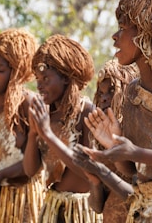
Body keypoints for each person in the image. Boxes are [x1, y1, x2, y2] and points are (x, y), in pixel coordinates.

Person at [73, 0, 152, 222]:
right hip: (143, 212)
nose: (114, 37)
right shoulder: (133, 89)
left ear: (146, 32)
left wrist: (135, 151)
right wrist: (116, 147)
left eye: (123, 28)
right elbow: (133, 172)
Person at [23, 34, 103, 222]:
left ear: (66, 78)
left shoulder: (86, 112)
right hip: (53, 207)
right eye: (37, 78)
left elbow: (88, 171)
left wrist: (48, 134)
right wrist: (34, 132)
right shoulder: (44, 114)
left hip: (81, 209)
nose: (39, 85)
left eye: (45, 78)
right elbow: (30, 170)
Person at [0, 28, 45, 223]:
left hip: (25, 202)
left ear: (17, 73)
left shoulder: (29, 105)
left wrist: (0, 175)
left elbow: (37, 162)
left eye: (0, 70)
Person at [88, 59, 138, 222]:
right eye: (101, 93)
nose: (104, 98)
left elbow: (138, 199)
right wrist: (94, 181)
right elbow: (97, 206)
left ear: (128, 91)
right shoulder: (99, 139)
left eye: (111, 90)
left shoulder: (138, 135)